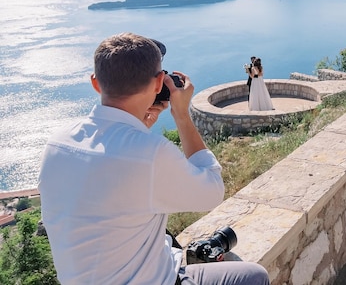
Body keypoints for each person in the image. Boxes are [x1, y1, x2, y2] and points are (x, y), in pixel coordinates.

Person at [38, 33, 269, 285]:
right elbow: (212, 191)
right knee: (253, 276)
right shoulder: (150, 153)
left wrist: (139, 128)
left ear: (96, 83)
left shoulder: (56, 143)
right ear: (159, 83)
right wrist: (181, 115)